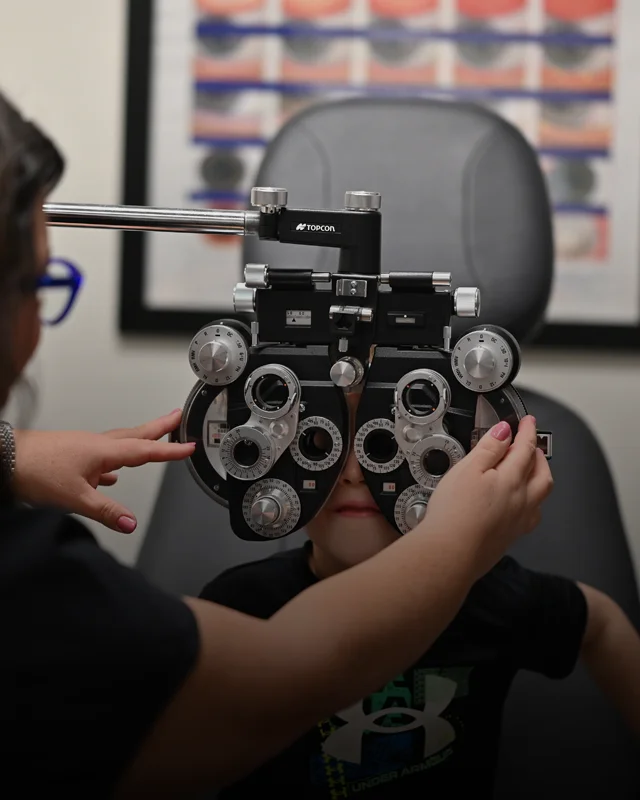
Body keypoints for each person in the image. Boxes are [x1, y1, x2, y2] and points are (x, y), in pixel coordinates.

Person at [0, 87, 551, 799]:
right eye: (35, 286)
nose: (352, 470)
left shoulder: (506, 600)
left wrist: (8, 454)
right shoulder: (40, 583)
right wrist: (455, 544)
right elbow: (268, 685)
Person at [200, 389, 640, 799]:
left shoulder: (491, 594)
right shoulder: (241, 604)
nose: (354, 473)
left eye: (387, 445)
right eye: (319, 442)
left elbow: (598, 623)